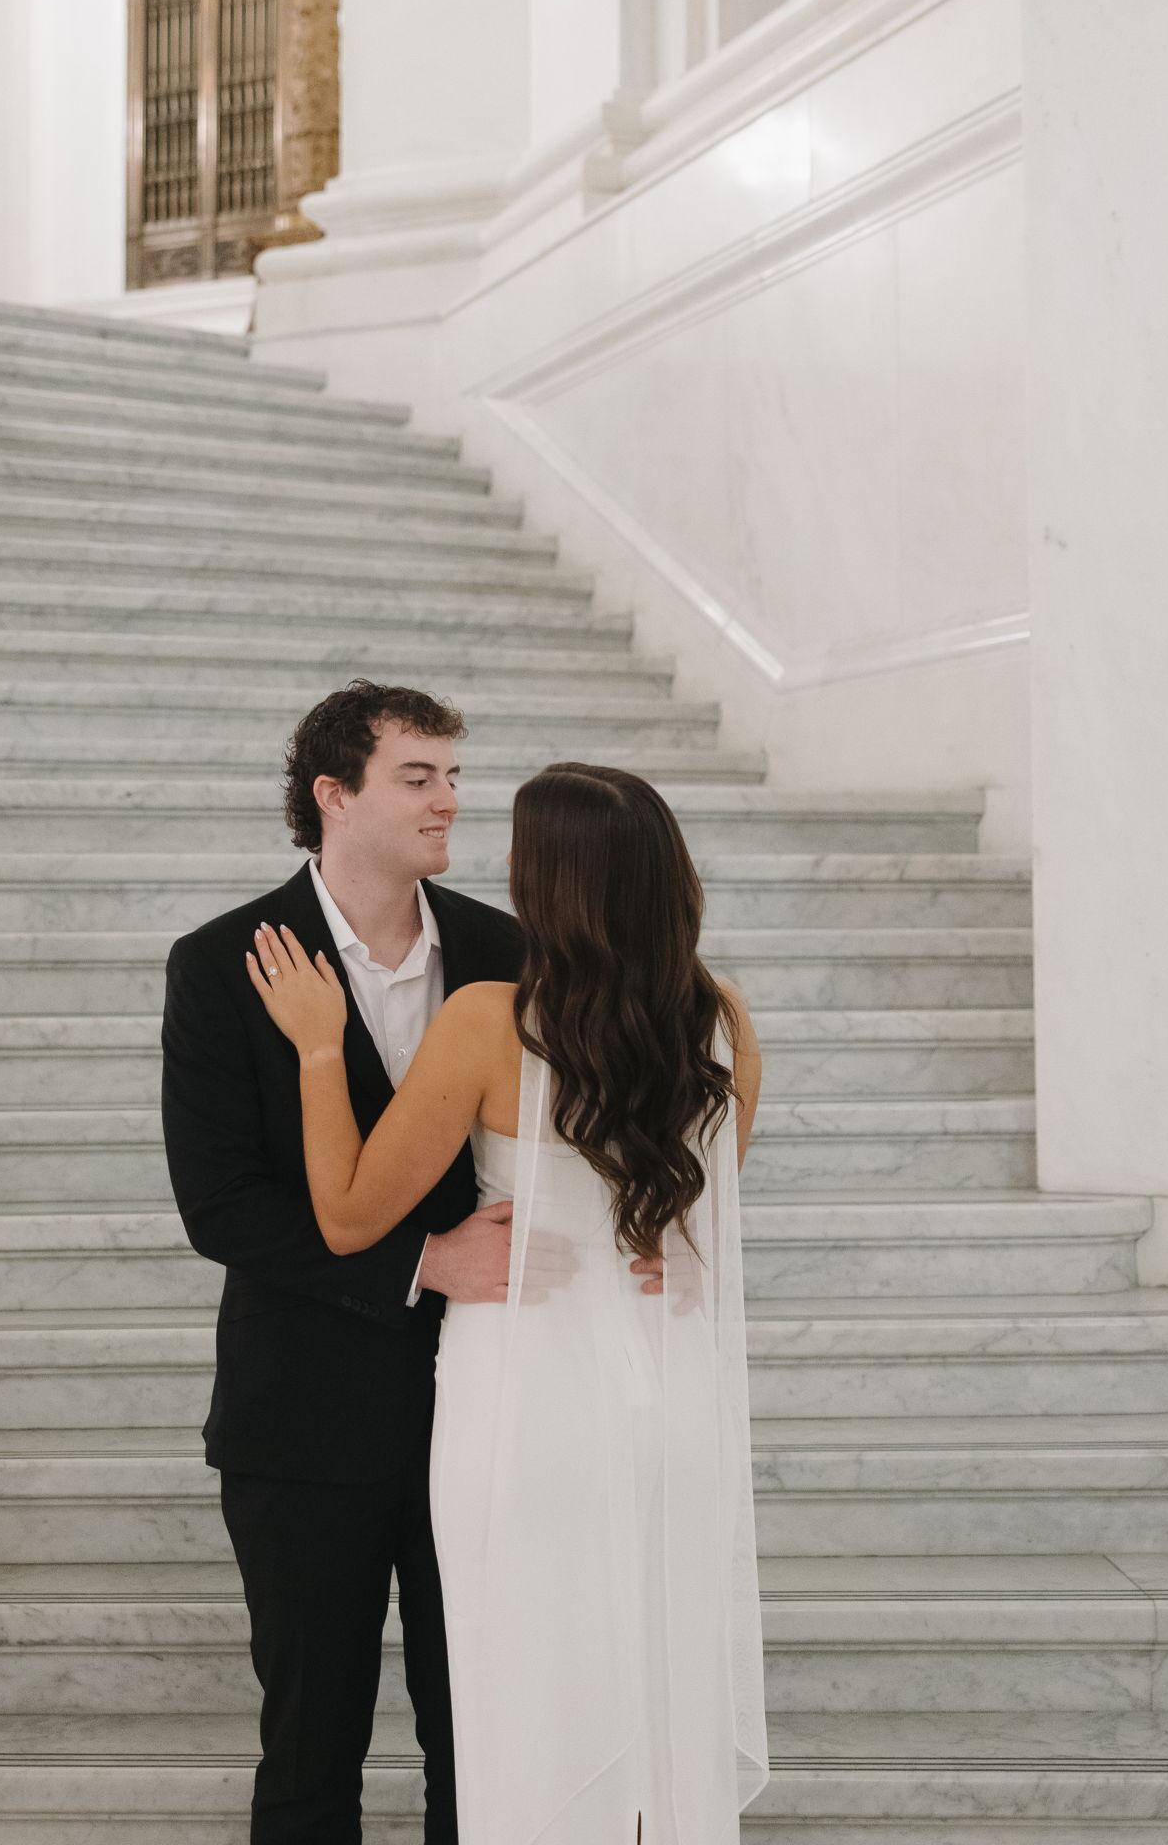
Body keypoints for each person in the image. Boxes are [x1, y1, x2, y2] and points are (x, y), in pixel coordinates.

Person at [245, 761, 772, 1843]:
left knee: (524, 1708)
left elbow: (347, 1215)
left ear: (552, 886)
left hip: (527, 1405)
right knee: (646, 1705)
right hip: (667, 1407)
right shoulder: (722, 1023)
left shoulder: (491, 1020)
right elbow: (686, 1227)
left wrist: (318, 1045)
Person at [161, 681, 525, 1844]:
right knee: (309, 1751)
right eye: (417, 776)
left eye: (453, 775)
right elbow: (221, 1206)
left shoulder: (507, 951)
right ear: (333, 794)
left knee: (482, 1744)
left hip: (484, 1408)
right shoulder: (220, 961)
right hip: (301, 1425)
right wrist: (423, 1261)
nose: (447, 799)